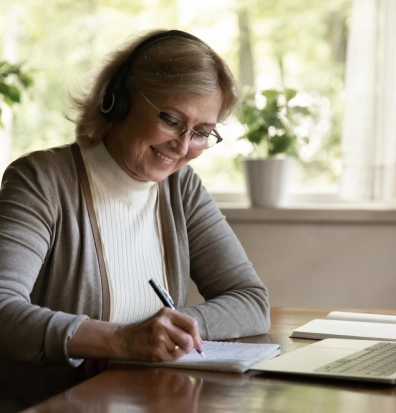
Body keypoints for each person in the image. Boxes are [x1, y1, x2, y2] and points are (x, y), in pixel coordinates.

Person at [0, 29, 270, 409]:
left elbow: (251, 301)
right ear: (118, 100)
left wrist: (157, 333)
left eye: (202, 132)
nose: (181, 146)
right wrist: (119, 339)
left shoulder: (181, 186)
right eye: (172, 120)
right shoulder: (41, 180)